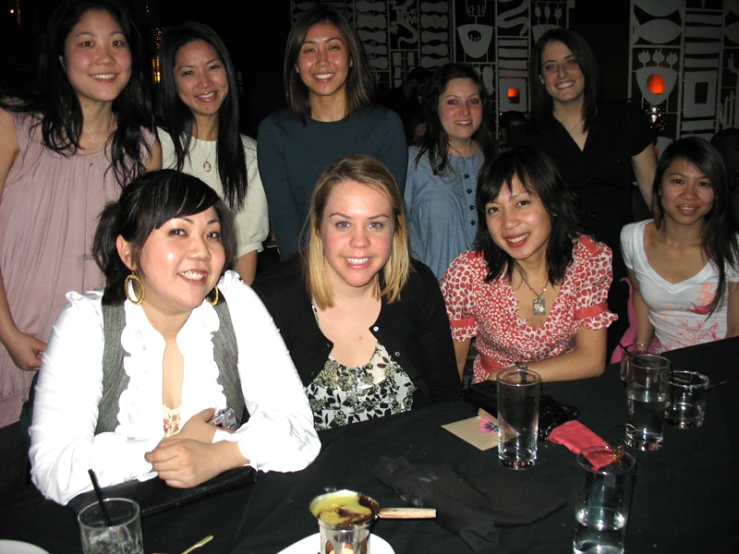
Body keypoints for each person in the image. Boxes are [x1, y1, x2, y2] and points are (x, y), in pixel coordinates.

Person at [28, 170, 320, 506]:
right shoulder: (88, 323)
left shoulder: (233, 301)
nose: (202, 252)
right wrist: (168, 450)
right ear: (128, 252)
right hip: (128, 522)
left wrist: (219, 454)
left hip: (221, 512)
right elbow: (53, 468)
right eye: (179, 232)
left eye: (212, 235)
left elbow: (299, 431)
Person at [0, 0, 160, 493]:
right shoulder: (12, 124)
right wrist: (6, 331)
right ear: (61, 56)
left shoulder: (144, 148)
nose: (105, 56)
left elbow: (146, 262)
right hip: (8, 338)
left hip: (92, 356)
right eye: (86, 43)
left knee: (76, 501)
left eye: (117, 42)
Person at [252, 155, 461, 431]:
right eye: (343, 224)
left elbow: (446, 397)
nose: (360, 242)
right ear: (317, 227)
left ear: (396, 230)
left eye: (375, 224)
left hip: (410, 462)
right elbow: (256, 423)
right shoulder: (273, 299)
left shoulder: (416, 286)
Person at [520, 27, 656, 355]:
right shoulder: (528, 138)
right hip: (561, 269)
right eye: (550, 66)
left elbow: (654, 193)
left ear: (586, 67)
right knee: (568, 359)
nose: (562, 73)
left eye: (570, 62)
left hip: (622, 263)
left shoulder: (625, 118)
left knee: (619, 352)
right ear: (540, 78)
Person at [441, 146, 616, 383]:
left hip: (564, 389)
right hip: (494, 400)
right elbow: (453, 367)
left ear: (552, 204)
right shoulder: (468, 274)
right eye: (494, 209)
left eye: (521, 203)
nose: (508, 222)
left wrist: (515, 374)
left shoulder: (586, 259)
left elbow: (592, 360)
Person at [258, 5, 407, 260]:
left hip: (370, 265)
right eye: (309, 50)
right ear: (296, 63)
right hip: (304, 274)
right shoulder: (274, 131)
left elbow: (387, 216)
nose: (322, 60)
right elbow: (286, 224)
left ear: (351, 57)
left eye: (333, 47)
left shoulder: (386, 125)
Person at [158, 22, 268, 285]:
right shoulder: (156, 145)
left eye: (213, 67)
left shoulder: (250, 154)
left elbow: (245, 253)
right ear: (173, 82)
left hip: (221, 296)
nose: (205, 82)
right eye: (188, 72)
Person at [621, 138, 739, 352]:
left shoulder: (733, 247)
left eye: (703, 184)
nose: (689, 195)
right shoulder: (632, 237)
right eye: (678, 181)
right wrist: (641, 350)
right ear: (658, 186)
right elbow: (640, 295)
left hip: (722, 363)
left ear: (717, 194)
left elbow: (735, 334)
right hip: (666, 364)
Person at [404, 63, 497, 280]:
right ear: (435, 106)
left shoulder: (497, 163)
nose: (465, 111)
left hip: (491, 300)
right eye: (453, 102)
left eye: (473, 101)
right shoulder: (413, 163)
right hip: (432, 299)